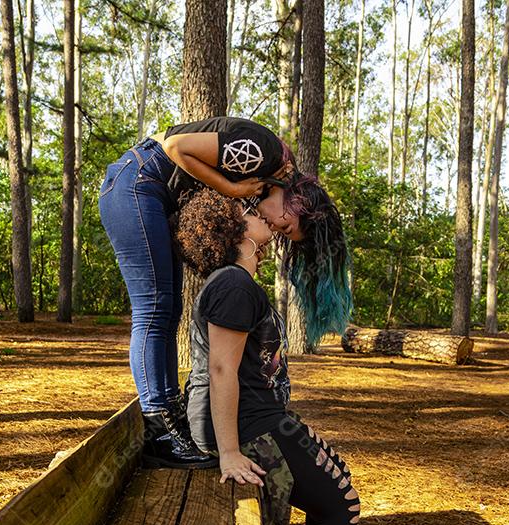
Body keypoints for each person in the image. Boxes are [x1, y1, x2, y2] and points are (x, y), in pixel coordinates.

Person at [174, 188, 392, 525]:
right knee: (341, 502)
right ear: (231, 230)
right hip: (248, 424)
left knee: (337, 484)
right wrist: (228, 451)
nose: (265, 221)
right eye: (251, 214)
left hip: (261, 414)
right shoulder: (232, 283)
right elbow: (223, 369)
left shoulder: (238, 282)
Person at [97, 116, 349, 469]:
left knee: (169, 310)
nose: (276, 228)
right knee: (154, 309)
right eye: (287, 225)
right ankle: (157, 427)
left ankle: (170, 417)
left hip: (150, 191)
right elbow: (175, 147)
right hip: (137, 182)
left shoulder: (267, 167)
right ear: (298, 200)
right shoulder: (262, 153)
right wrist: (233, 191)